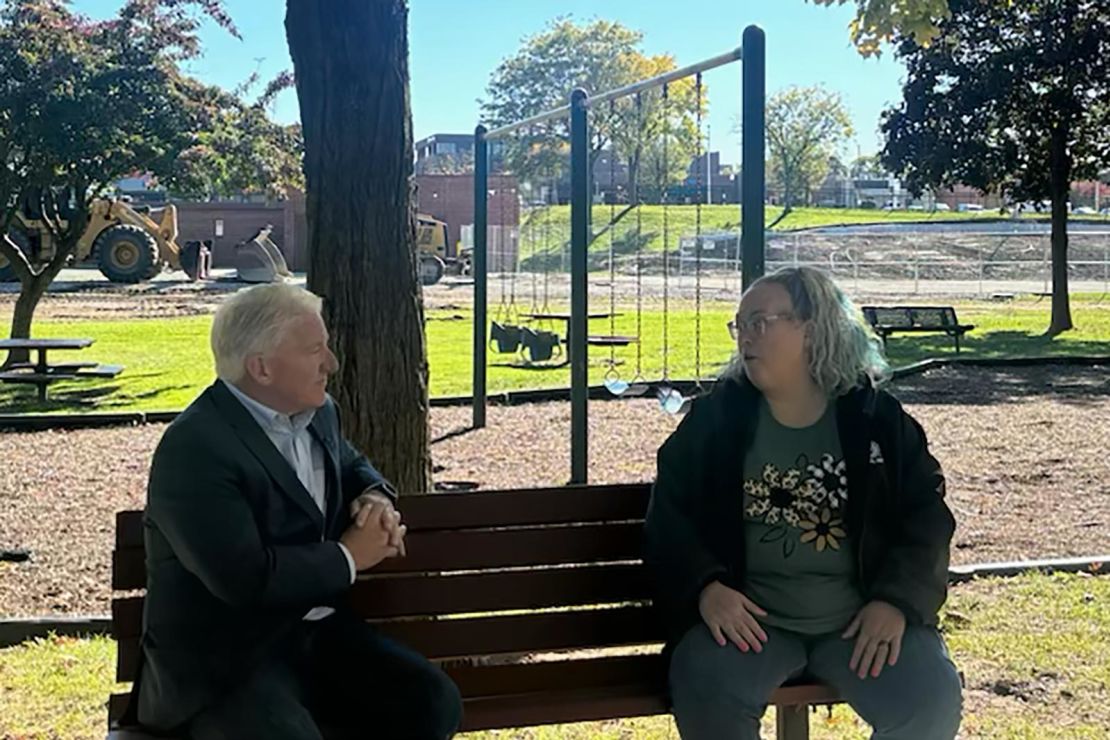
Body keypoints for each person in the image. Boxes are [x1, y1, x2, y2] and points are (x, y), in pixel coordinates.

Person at [129, 283, 462, 739]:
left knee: (432, 702)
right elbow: (243, 578)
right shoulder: (195, 449)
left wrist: (375, 495)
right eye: (314, 350)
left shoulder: (319, 410)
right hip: (223, 665)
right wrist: (349, 557)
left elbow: (349, 462)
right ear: (261, 368)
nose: (331, 362)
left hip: (317, 641)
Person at [645, 267, 961, 739]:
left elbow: (927, 518)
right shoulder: (714, 420)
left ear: (812, 328)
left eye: (760, 322)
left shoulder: (875, 418)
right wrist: (706, 588)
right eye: (740, 325)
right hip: (749, 629)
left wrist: (896, 602)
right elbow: (669, 518)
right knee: (707, 690)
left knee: (929, 698)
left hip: (859, 626)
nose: (745, 338)